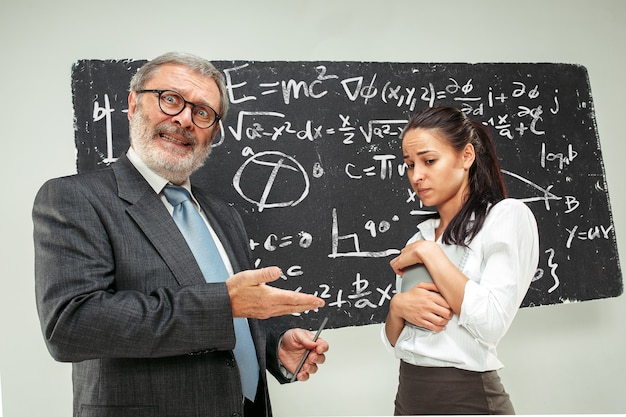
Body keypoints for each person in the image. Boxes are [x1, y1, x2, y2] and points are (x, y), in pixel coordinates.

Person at [33, 52, 329, 417]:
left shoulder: (224, 214)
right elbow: (70, 326)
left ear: (214, 132)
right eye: (170, 99)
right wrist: (225, 303)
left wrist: (275, 344)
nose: (185, 119)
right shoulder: (75, 198)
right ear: (133, 103)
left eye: (203, 113)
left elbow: (234, 313)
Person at [382, 106, 539, 415]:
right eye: (410, 164)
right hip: (408, 397)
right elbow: (400, 342)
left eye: (429, 161)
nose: (417, 176)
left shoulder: (504, 217)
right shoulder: (418, 238)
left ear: (466, 156)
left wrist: (431, 254)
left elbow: (492, 324)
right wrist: (396, 308)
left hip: (467, 400)